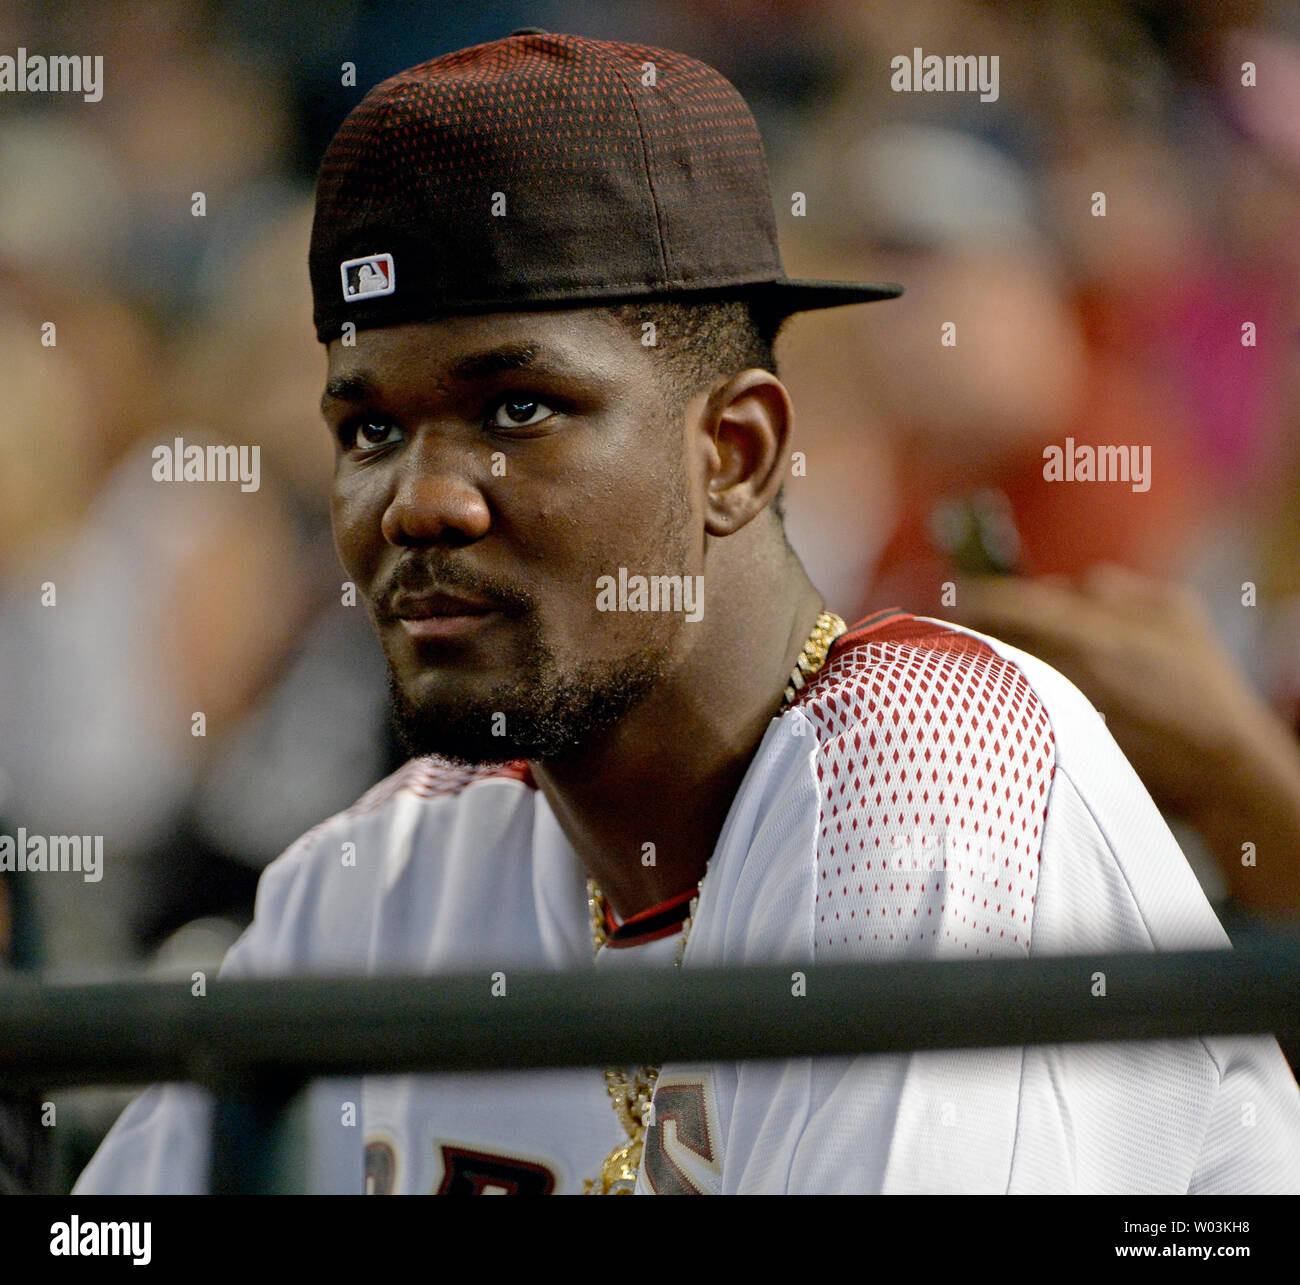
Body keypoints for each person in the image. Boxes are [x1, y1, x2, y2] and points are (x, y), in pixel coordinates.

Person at [75, 30, 1300, 1196]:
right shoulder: (383, 869)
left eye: (516, 410)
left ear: (734, 451)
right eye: (370, 430)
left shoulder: (929, 760)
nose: (419, 501)